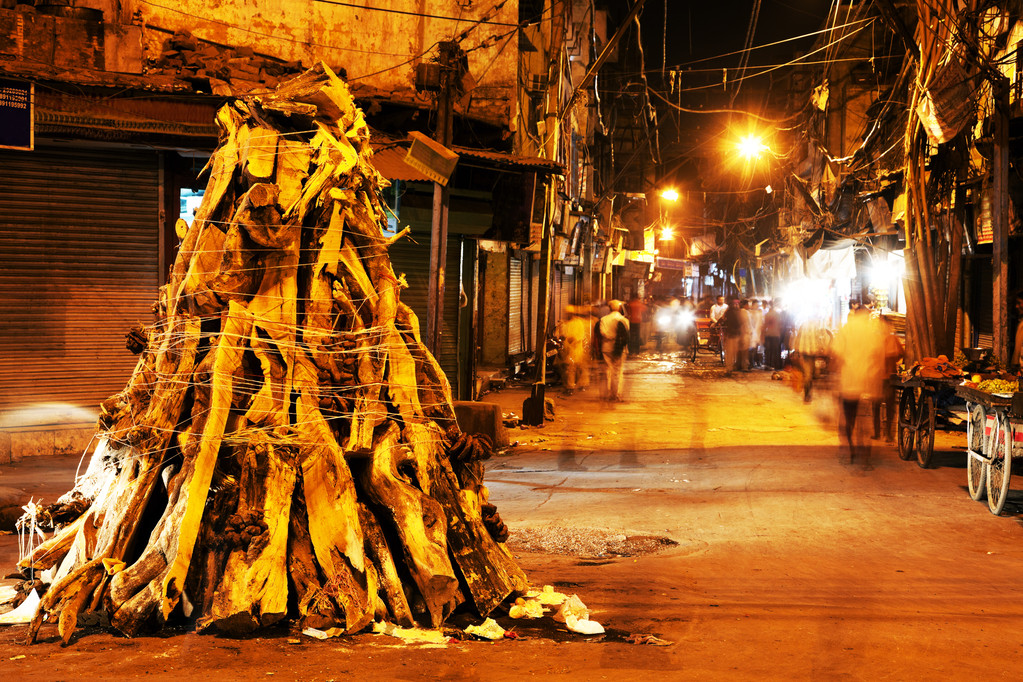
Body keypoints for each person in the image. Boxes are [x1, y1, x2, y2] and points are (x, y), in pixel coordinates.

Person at [831, 305, 887, 462]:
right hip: (867, 381)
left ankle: (850, 448)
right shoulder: (872, 332)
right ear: (867, 315)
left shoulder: (846, 329)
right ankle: (865, 451)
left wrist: (835, 376)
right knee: (865, 417)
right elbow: (878, 355)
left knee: (849, 417)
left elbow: (837, 353)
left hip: (849, 380)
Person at [596, 300, 630, 401]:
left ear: (609, 308)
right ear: (620, 308)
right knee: (617, 372)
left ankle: (606, 393)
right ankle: (615, 394)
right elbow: (626, 336)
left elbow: (601, 332)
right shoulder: (623, 320)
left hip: (606, 347)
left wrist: (609, 337)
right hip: (619, 349)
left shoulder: (603, 319)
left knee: (607, 371)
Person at [554, 307, 591, 395]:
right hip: (568, 350)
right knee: (569, 368)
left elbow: (580, 336)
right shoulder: (564, 323)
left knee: (579, 367)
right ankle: (570, 386)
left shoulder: (578, 323)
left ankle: (581, 384)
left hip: (577, 349)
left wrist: (573, 339)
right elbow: (559, 335)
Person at [792, 315, 830, 402]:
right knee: (810, 374)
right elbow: (821, 339)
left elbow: (798, 338)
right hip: (813, 353)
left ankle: (808, 394)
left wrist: (796, 349)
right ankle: (807, 395)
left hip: (805, 352)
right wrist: (824, 348)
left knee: (809, 373)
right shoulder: (818, 327)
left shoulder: (803, 325)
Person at [721, 297, 744, 373]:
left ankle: (733, 366)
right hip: (730, 335)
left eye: (737, 304)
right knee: (730, 352)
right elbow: (723, 320)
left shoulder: (739, 312)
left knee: (735, 352)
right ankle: (729, 367)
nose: (736, 305)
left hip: (737, 335)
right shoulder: (728, 312)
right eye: (734, 304)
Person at [763, 300, 783, 370]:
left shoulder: (767, 314)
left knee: (768, 351)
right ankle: (776, 365)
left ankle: (768, 365)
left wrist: (762, 334)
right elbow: (780, 325)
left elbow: (765, 325)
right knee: (775, 351)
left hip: (768, 334)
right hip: (776, 335)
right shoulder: (777, 314)